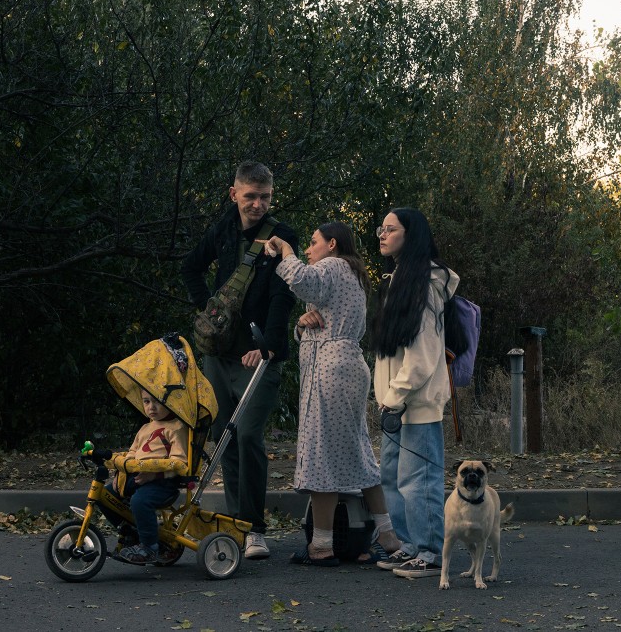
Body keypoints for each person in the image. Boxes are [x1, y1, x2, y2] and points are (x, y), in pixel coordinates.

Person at [259, 223, 402, 567]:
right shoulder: (350, 273)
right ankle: (387, 534)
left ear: (332, 244)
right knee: (357, 451)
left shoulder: (332, 266)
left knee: (321, 451)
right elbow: (323, 314)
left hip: (330, 369)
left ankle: (321, 546)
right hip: (348, 366)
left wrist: (286, 250)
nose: (308, 250)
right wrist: (300, 324)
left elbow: (302, 280)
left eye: (312, 243)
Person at [181, 161, 298, 559]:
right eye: (250, 196)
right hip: (219, 355)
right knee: (224, 439)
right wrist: (206, 313)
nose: (258, 204)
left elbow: (284, 296)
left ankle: (255, 529)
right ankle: (234, 525)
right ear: (235, 195)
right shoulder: (222, 229)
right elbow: (190, 268)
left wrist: (269, 346)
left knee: (247, 434)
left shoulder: (282, 235)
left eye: (264, 197)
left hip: (259, 356)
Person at [369, 207, 459, 579]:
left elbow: (424, 355)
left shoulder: (424, 284)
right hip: (395, 402)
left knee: (417, 479)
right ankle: (408, 546)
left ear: (411, 235)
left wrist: (395, 396)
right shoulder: (399, 280)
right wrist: (387, 398)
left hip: (415, 402)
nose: (382, 235)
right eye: (381, 228)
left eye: (391, 229)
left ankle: (431, 551)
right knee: (392, 476)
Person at [96, 386, 189, 565]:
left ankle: (149, 547)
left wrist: (154, 476)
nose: (151, 407)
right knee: (103, 495)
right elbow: (132, 453)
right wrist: (121, 474)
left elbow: (179, 463)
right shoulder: (146, 427)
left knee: (139, 501)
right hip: (137, 477)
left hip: (162, 482)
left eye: (157, 402)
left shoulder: (177, 427)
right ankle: (129, 530)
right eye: (146, 402)